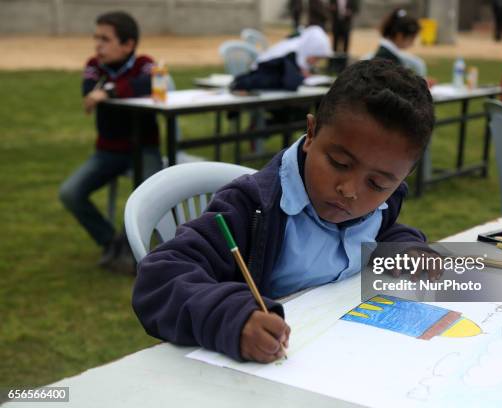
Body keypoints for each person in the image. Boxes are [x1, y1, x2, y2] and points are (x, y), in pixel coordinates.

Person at [132, 59, 437, 363]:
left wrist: (405, 247)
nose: (350, 190)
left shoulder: (380, 204)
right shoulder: (250, 208)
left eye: (378, 183)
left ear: (402, 178)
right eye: (339, 164)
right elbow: (159, 278)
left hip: (347, 357)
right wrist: (233, 319)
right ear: (311, 133)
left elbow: (380, 231)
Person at [59, 11, 162, 273]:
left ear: (128, 44)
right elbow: (88, 91)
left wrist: (109, 91)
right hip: (108, 152)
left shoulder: (145, 64)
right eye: (97, 38)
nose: (98, 46)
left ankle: (135, 251)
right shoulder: (94, 64)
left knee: (149, 197)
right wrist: (105, 91)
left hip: (144, 149)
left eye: (105, 39)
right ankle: (112, 241)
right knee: (70, 193)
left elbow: (147, 84)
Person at [373, 8, 427, 77]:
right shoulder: (388, 58)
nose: (412, 43)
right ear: (400, 36)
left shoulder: (388, 54)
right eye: (411, 39)